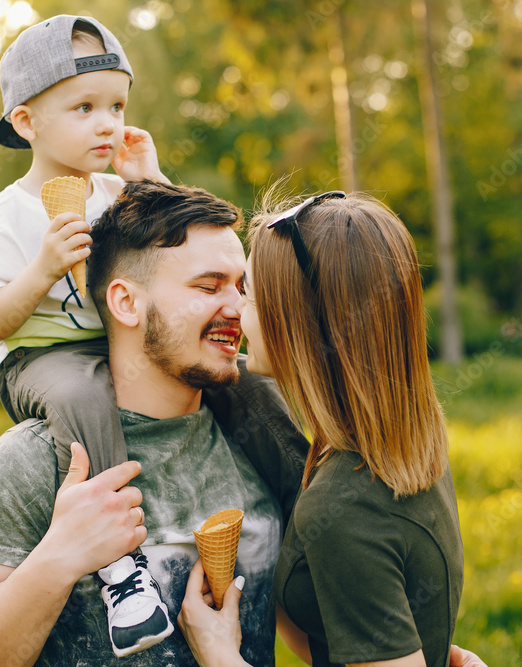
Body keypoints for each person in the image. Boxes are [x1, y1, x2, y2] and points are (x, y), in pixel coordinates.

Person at [0, 14, 279, 654]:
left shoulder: (113, 192)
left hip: (114, 351)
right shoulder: (5, 218)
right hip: (42, 358)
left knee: (247, 389)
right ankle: (121, 571)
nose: (107, 122)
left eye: (116, 105)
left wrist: (150, 179)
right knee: (82, 396)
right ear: (25, 122)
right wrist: (43, 266)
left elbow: (179, 253)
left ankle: (311, 494)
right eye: (83, 107)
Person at [0, 181, 309, 666]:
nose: (236, 308)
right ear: (126, 302)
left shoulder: (259, 442)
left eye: (241, 287)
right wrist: (59, 558)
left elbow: (307, 633)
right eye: (208, 287)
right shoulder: (37, 463)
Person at [178, 191, 470, 667]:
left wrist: (218, 654)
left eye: (248, 293)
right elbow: (338, 623)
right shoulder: (400, 446)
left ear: (299, 324)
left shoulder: (347, 510)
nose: (234, 309)